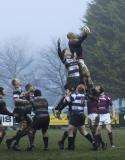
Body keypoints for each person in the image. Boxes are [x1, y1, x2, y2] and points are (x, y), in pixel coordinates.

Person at [59, 84, 95, 150]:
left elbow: (65, 101)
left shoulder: (74, 95)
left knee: (70, 130)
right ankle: (94, 143)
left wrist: (67, 94)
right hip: (82, 115)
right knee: (83, 131)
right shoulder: (84, 96)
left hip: (75, 115)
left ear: (77, 89)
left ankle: (70, 147)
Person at [53, 39, 81, 114]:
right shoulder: (65, 59)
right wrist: (59, 46)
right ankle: (57, 109)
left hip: (77, 78)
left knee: (70, 97)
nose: (68, 51)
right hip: (72, 79)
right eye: (66, 51)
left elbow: (77, 48)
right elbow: (59, 54)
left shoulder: (74, 58)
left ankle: (59, 110)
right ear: (64, 54)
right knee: (68, 95)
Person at [6, 79, 32, 151]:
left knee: (27, 128)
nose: (20, 81)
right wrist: (24, 101)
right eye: (18, 80)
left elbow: (21, 96)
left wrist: (28, 92)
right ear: (16, 83)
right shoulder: (16, 90)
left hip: (23, 110)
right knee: (23, 127)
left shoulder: (20, 89)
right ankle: (15, 144)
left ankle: (11, 141)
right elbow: (15, 99)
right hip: (19, 110)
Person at [67, 26, 93, 91]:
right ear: (72, 36)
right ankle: (89, 80)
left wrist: (85, 34)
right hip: (78, 59)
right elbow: (79, 41)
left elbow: (80, 38)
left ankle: (87, 83)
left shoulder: (72, 41)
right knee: (84, 68)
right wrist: (85, 34)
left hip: (78, 59)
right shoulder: (72, 42)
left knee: (83, 71)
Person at [94, 85, 116, 150]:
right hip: (101, 116)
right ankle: (97, 145)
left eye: (97, 88)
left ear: (100, 90)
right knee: (97, 131)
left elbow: (112, 106)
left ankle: (112, 144)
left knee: (108, 129)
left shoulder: (107, 98)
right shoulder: (97, 98)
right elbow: (97, 107)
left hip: (106, 116)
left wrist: (114, 114)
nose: (96, 89)